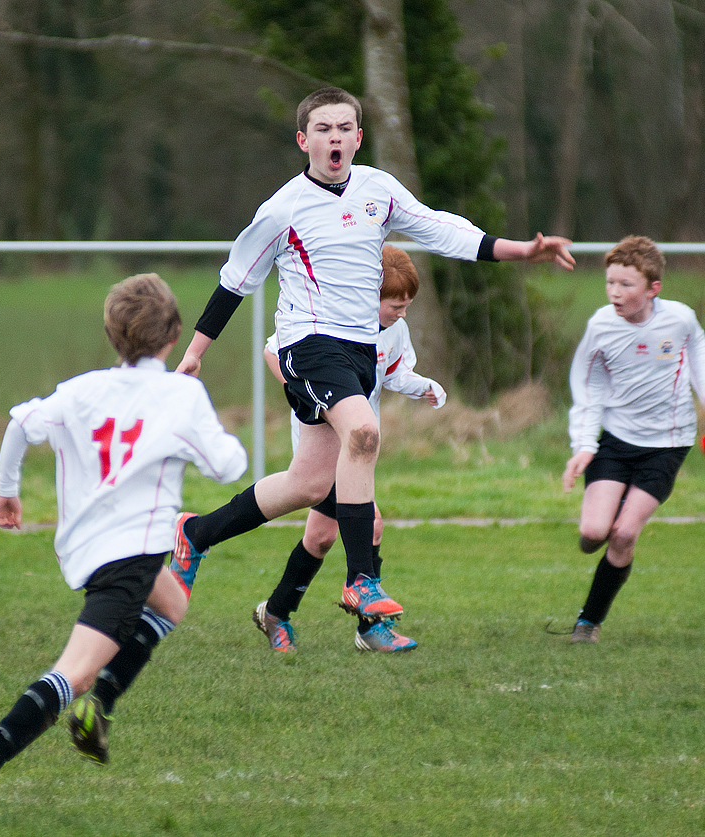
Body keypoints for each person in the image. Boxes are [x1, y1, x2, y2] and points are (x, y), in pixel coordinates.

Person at [173, 85, 574, 630]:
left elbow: (441, 228)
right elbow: (233, 282)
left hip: (359, 351)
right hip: (307, 345)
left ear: (358, 138)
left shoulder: (377, 190)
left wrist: (519, 250)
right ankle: (363, 581)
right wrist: (195, 354)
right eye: (323, 129)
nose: (334, 137)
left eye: (344, 128)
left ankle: (195, 534)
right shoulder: (282, 208)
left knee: (310, 483)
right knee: (363, 433)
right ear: (303, 140)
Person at [0, 273, 247, 824]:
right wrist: (209, 434)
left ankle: (99, 707)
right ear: (175, 333)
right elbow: (229, 466)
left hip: (85, 545)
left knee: (172, 603)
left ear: (113, 334)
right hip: (129, 552)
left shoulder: (81, 389)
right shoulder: (181, 394)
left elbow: (19, 422)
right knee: (75, 671)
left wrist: (6, 489)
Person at [254, 244, 445, 653]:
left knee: (321, 536)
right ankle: (370, 628)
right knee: (370, 522)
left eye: (407, 305)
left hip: (357, 443)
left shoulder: (395, 329)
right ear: (366, 296)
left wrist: (423, 386)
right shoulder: (331, 319)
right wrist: (301, 389)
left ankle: (275, 612)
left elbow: (394, 372)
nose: (402, 313)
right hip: (321, 440)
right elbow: (274, 350)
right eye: (395, 305)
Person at [562, 236, 705, 643]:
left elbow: (699, 357)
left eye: (626, 285)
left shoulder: (679, 320)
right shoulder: (600, 326)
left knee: (624, 534)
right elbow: (587, 388)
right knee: (593, 533)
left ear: (652, 289)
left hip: (668, 443)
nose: (615, 293)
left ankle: (588, 623)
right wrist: (584, 446)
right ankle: (601, 527)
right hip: (618, 441)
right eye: (610, 283)